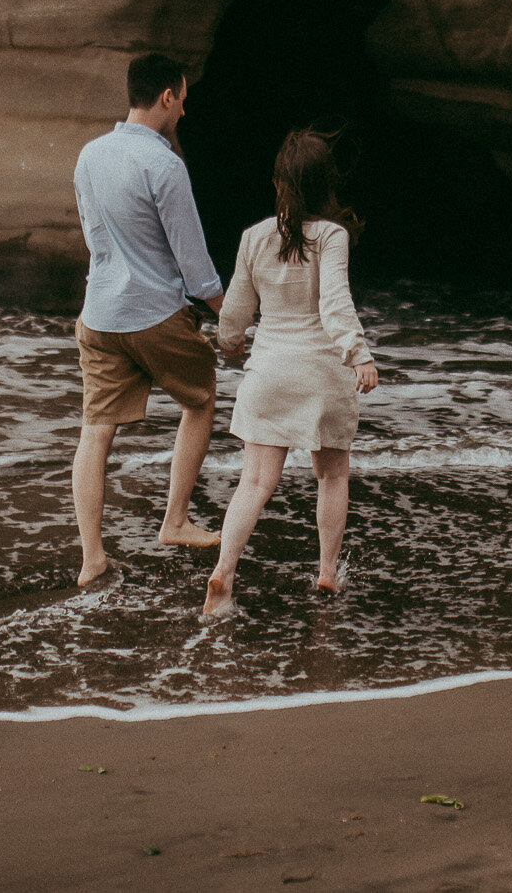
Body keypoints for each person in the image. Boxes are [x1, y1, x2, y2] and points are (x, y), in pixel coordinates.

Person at [202, 129, 379, 621]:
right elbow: (335, 304)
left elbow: (235, 312)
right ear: (326, 184)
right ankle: (326, 571)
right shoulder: (332, 236)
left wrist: (229, 345)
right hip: (322, 373)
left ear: (279, 182)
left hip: (270, 372)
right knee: (332, 474)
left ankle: (224, 570)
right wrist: (359, 354)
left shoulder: (253, 238)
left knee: (255, 482)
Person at [70, 53, 226, 587]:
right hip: (153, 314)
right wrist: (228, 316)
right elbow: (194, 262)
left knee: (95, 431)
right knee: (201, 400)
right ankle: (175, 520)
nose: (184, 109)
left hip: (99, 314)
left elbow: (96, 240)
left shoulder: (89, 155)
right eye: (183, 98)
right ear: (166, 96)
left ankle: (92, 558)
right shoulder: (164, 164)